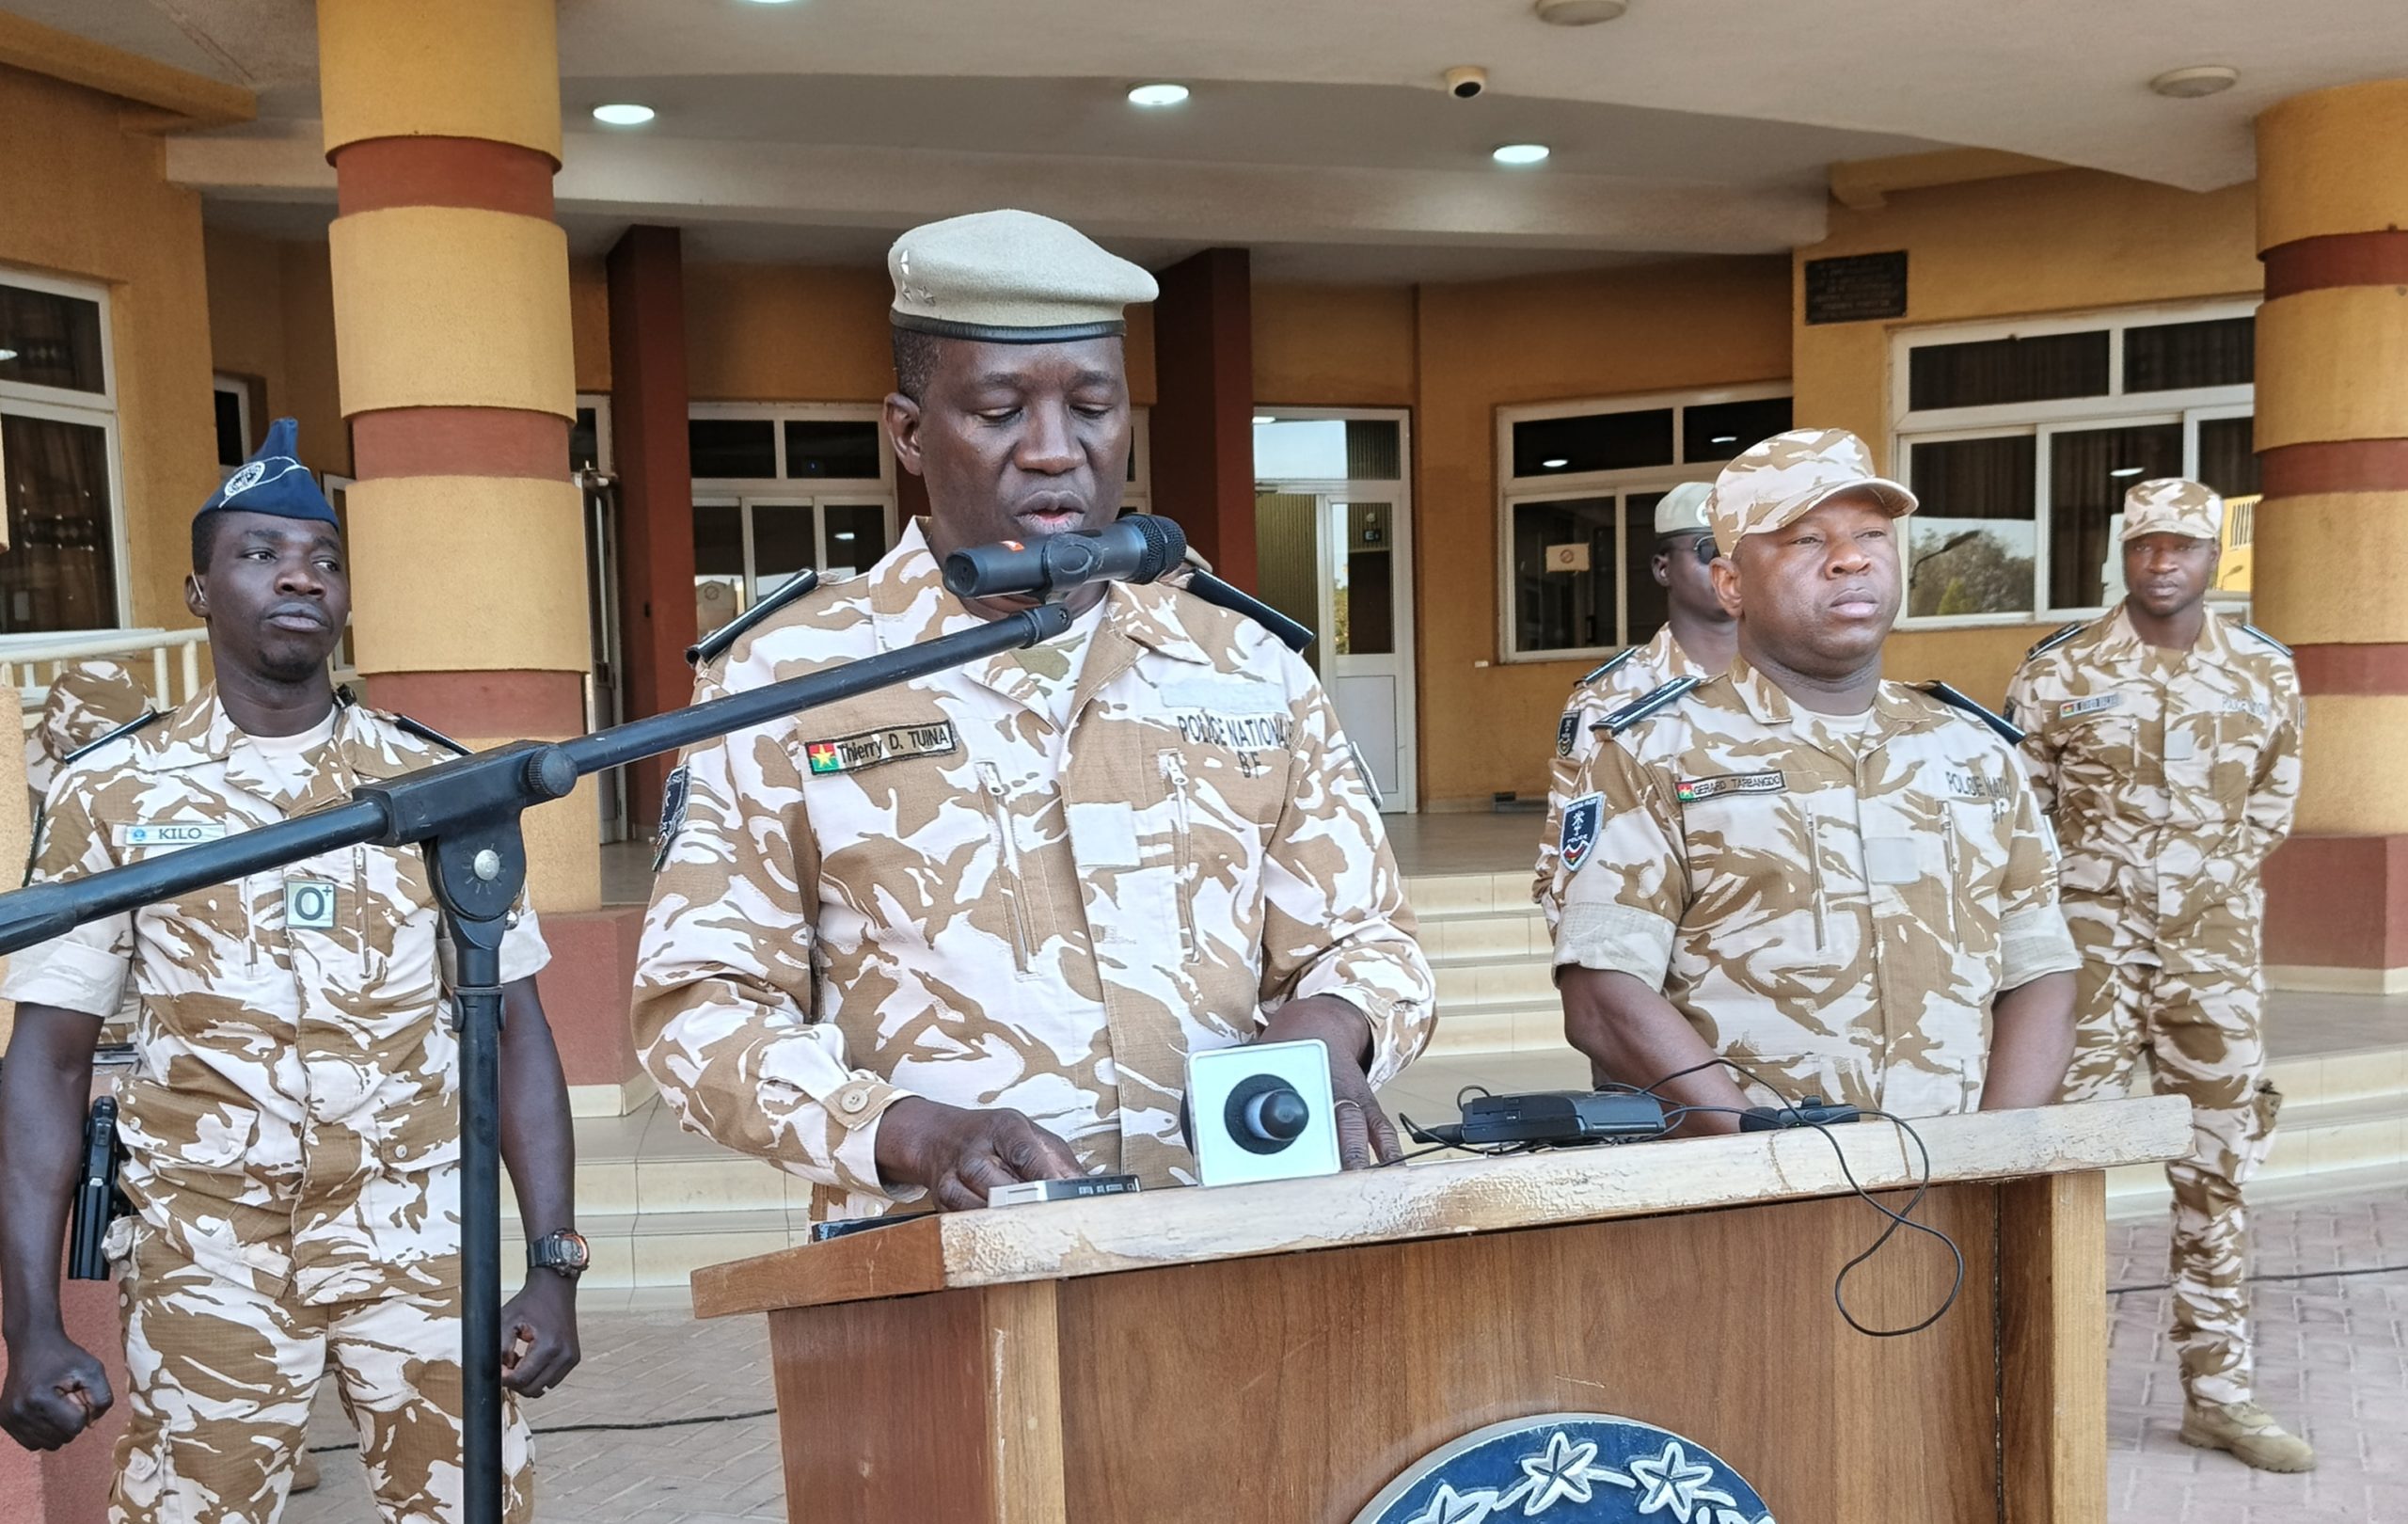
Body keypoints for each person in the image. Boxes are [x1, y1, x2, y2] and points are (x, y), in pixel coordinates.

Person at [632, 210, 1434, 1215]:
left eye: (1093, 407)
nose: (1056, 451)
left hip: (1230, 1237)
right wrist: (909, 1135)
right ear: (911, 431)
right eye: (1001, 410)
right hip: (942, 1277)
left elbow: (1372, 942)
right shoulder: (790, 673)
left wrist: (1327, 1028)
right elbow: (698, 1006)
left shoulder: (1246, 665)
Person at [0, 420, 584, 1522]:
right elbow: (48, 1061)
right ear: (198, 589)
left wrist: (553, 1262)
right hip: (207, 1248)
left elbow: (516, 1028)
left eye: (322, 559)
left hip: (416, 1242)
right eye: (260, 553)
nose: (299, 576)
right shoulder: (111, 795)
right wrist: (29, 1319)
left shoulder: (441, 788)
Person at [1550, 428, 2079, 1129]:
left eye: (1873, 534)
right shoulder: (1653, 753)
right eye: (1806, 540)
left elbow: (2040, 970)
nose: (1851, 558)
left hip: (1957, 1187)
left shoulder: (1976, 749)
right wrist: (1761, 1150)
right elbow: (1603, 997)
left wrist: (1993, 1157)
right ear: (1731, 582)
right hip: (1752, 1197)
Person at [2003, 477, 2309, 1473]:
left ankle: (2217, 1397)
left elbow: (2273, 801)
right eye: (2145, 547)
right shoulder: (2058, 672)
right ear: (2121, 554)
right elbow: (2023, 817)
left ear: (2211, 552)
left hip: (2213, 964)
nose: (2162, 563)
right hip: (2083, 965)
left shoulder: (2265, 672)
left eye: (2181, 546)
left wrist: (2201, 885)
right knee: (2065, 1171)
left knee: (2216, 1175)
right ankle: (2048, 1393)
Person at [1532, 481, 1735, 930]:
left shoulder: (1791, 681)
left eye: (1742, 550)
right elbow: (1568, 851)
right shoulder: (1608, 698)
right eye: (1709, 549)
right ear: (1663, 568)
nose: (1728, 565)